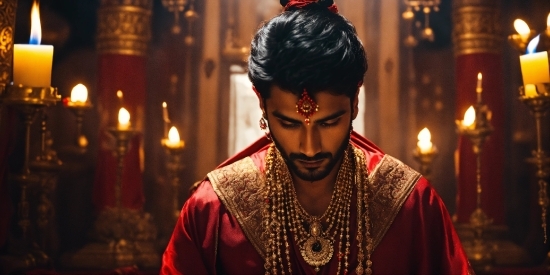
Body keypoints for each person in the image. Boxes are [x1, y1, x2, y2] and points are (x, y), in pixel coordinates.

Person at [161, 0, 474, 274]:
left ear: (355, 102)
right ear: (262, 103)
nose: (309, 148)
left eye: (328, 123)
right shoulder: (213, 211)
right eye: (289, 124)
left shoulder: (412, 206)